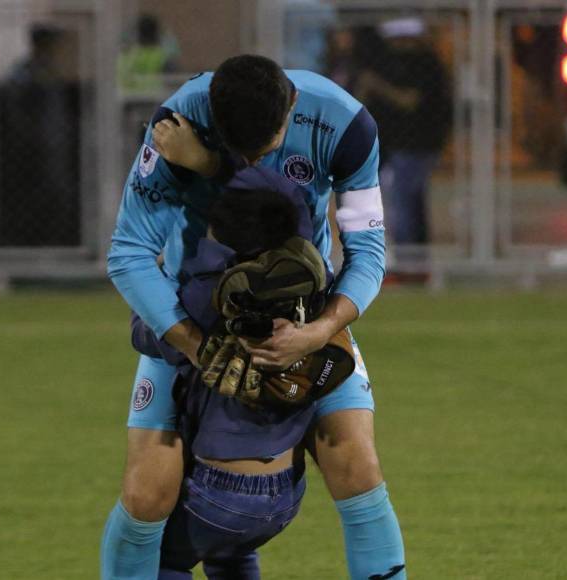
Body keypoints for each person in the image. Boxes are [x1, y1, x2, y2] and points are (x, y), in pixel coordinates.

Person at [103, 55, 405, 579]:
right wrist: (194, 343)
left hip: (303, 319)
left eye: (261, 148)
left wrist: (318, 332)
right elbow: (129, 252)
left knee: (358, 466)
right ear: (214, 119)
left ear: (290, 107)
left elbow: (368, 251)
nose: (248, 157)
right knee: (146, 494)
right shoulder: (176, 124)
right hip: (190, 314)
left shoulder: (346, 126)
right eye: (234, 148)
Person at [129, 171, 340, 578]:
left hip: (221, 492)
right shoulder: (313, 286)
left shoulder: (213, 293)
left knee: (158, 559)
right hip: (286, 489)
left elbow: (148, 335)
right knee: (231, 555)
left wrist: (155, 282)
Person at [358, 18, 452, 250]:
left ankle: (409, 258)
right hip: (399, 143)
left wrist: (377, 86)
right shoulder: (393, 63)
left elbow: (409, 100)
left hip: (418, 143)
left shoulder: (425, 63)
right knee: (408, 199)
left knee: (403, 200)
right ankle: (414, 258)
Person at [0, 26, 82, 247]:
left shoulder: (53, 75)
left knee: (58, 196)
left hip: (55, 148)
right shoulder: (24, 75)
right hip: (32, 150)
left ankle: (56, 244)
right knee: (34, 199)